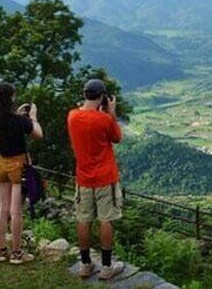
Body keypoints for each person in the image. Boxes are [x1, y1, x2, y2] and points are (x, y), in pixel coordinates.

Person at [67, 79, 125, 280]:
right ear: (102, 97)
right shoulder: (104, 119)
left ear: (84, 94)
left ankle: (85, 264)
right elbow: (117, 138)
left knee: (83, 220)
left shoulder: (72, 116)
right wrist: (111, 112)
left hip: (83, 178)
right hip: (105, 177)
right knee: (106, 220)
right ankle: (107, 267)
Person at [0, 81, 43, 265]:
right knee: (16, 211)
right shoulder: (19, 121)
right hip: (18, 165)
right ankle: (17, 253)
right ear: (11, 97)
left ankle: (1, 251)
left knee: (3, 209)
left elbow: (10, 125)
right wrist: (33, 117)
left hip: (1, 163)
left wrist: (20, 116)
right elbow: (38, 135)